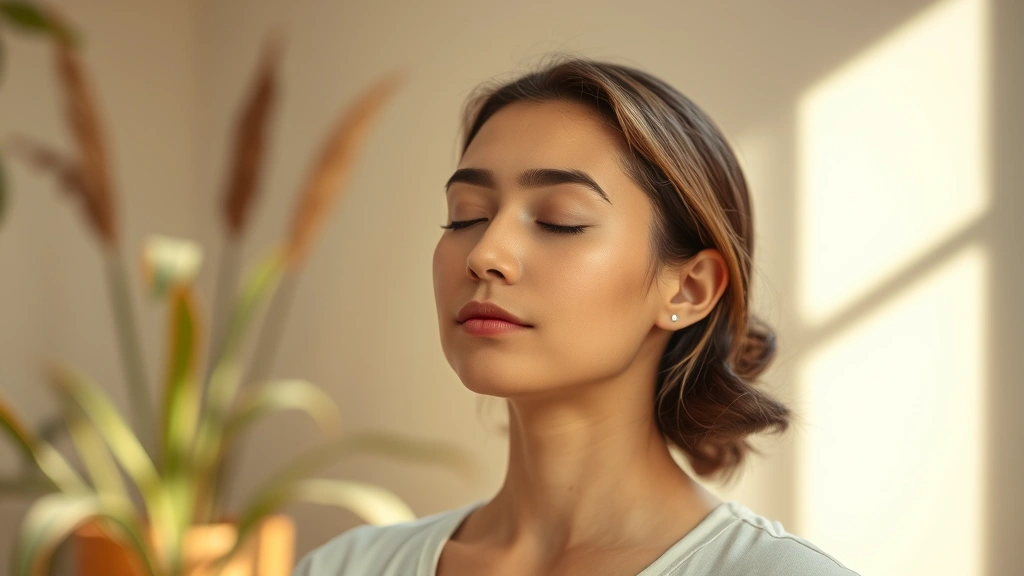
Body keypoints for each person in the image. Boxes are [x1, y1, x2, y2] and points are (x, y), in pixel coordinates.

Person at [292, 54, 860, 576]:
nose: (485, 254)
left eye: (560, 220)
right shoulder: (343, 568)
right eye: (465, 216)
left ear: (688, 289)